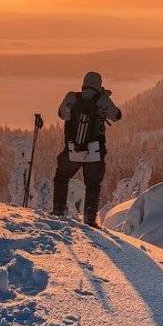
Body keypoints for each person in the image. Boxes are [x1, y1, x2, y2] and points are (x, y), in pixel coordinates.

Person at [52, 70, 122, 227]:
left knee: (61, 177)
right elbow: (117, 116)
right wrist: (104, 98)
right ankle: (89, 219)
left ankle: (58, 209)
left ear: (83, 83)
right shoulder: (102, 100)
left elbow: (61, 114)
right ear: (99, 84)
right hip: (94, 152)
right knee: (92, 185)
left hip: (72, 150)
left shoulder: (72, 97)